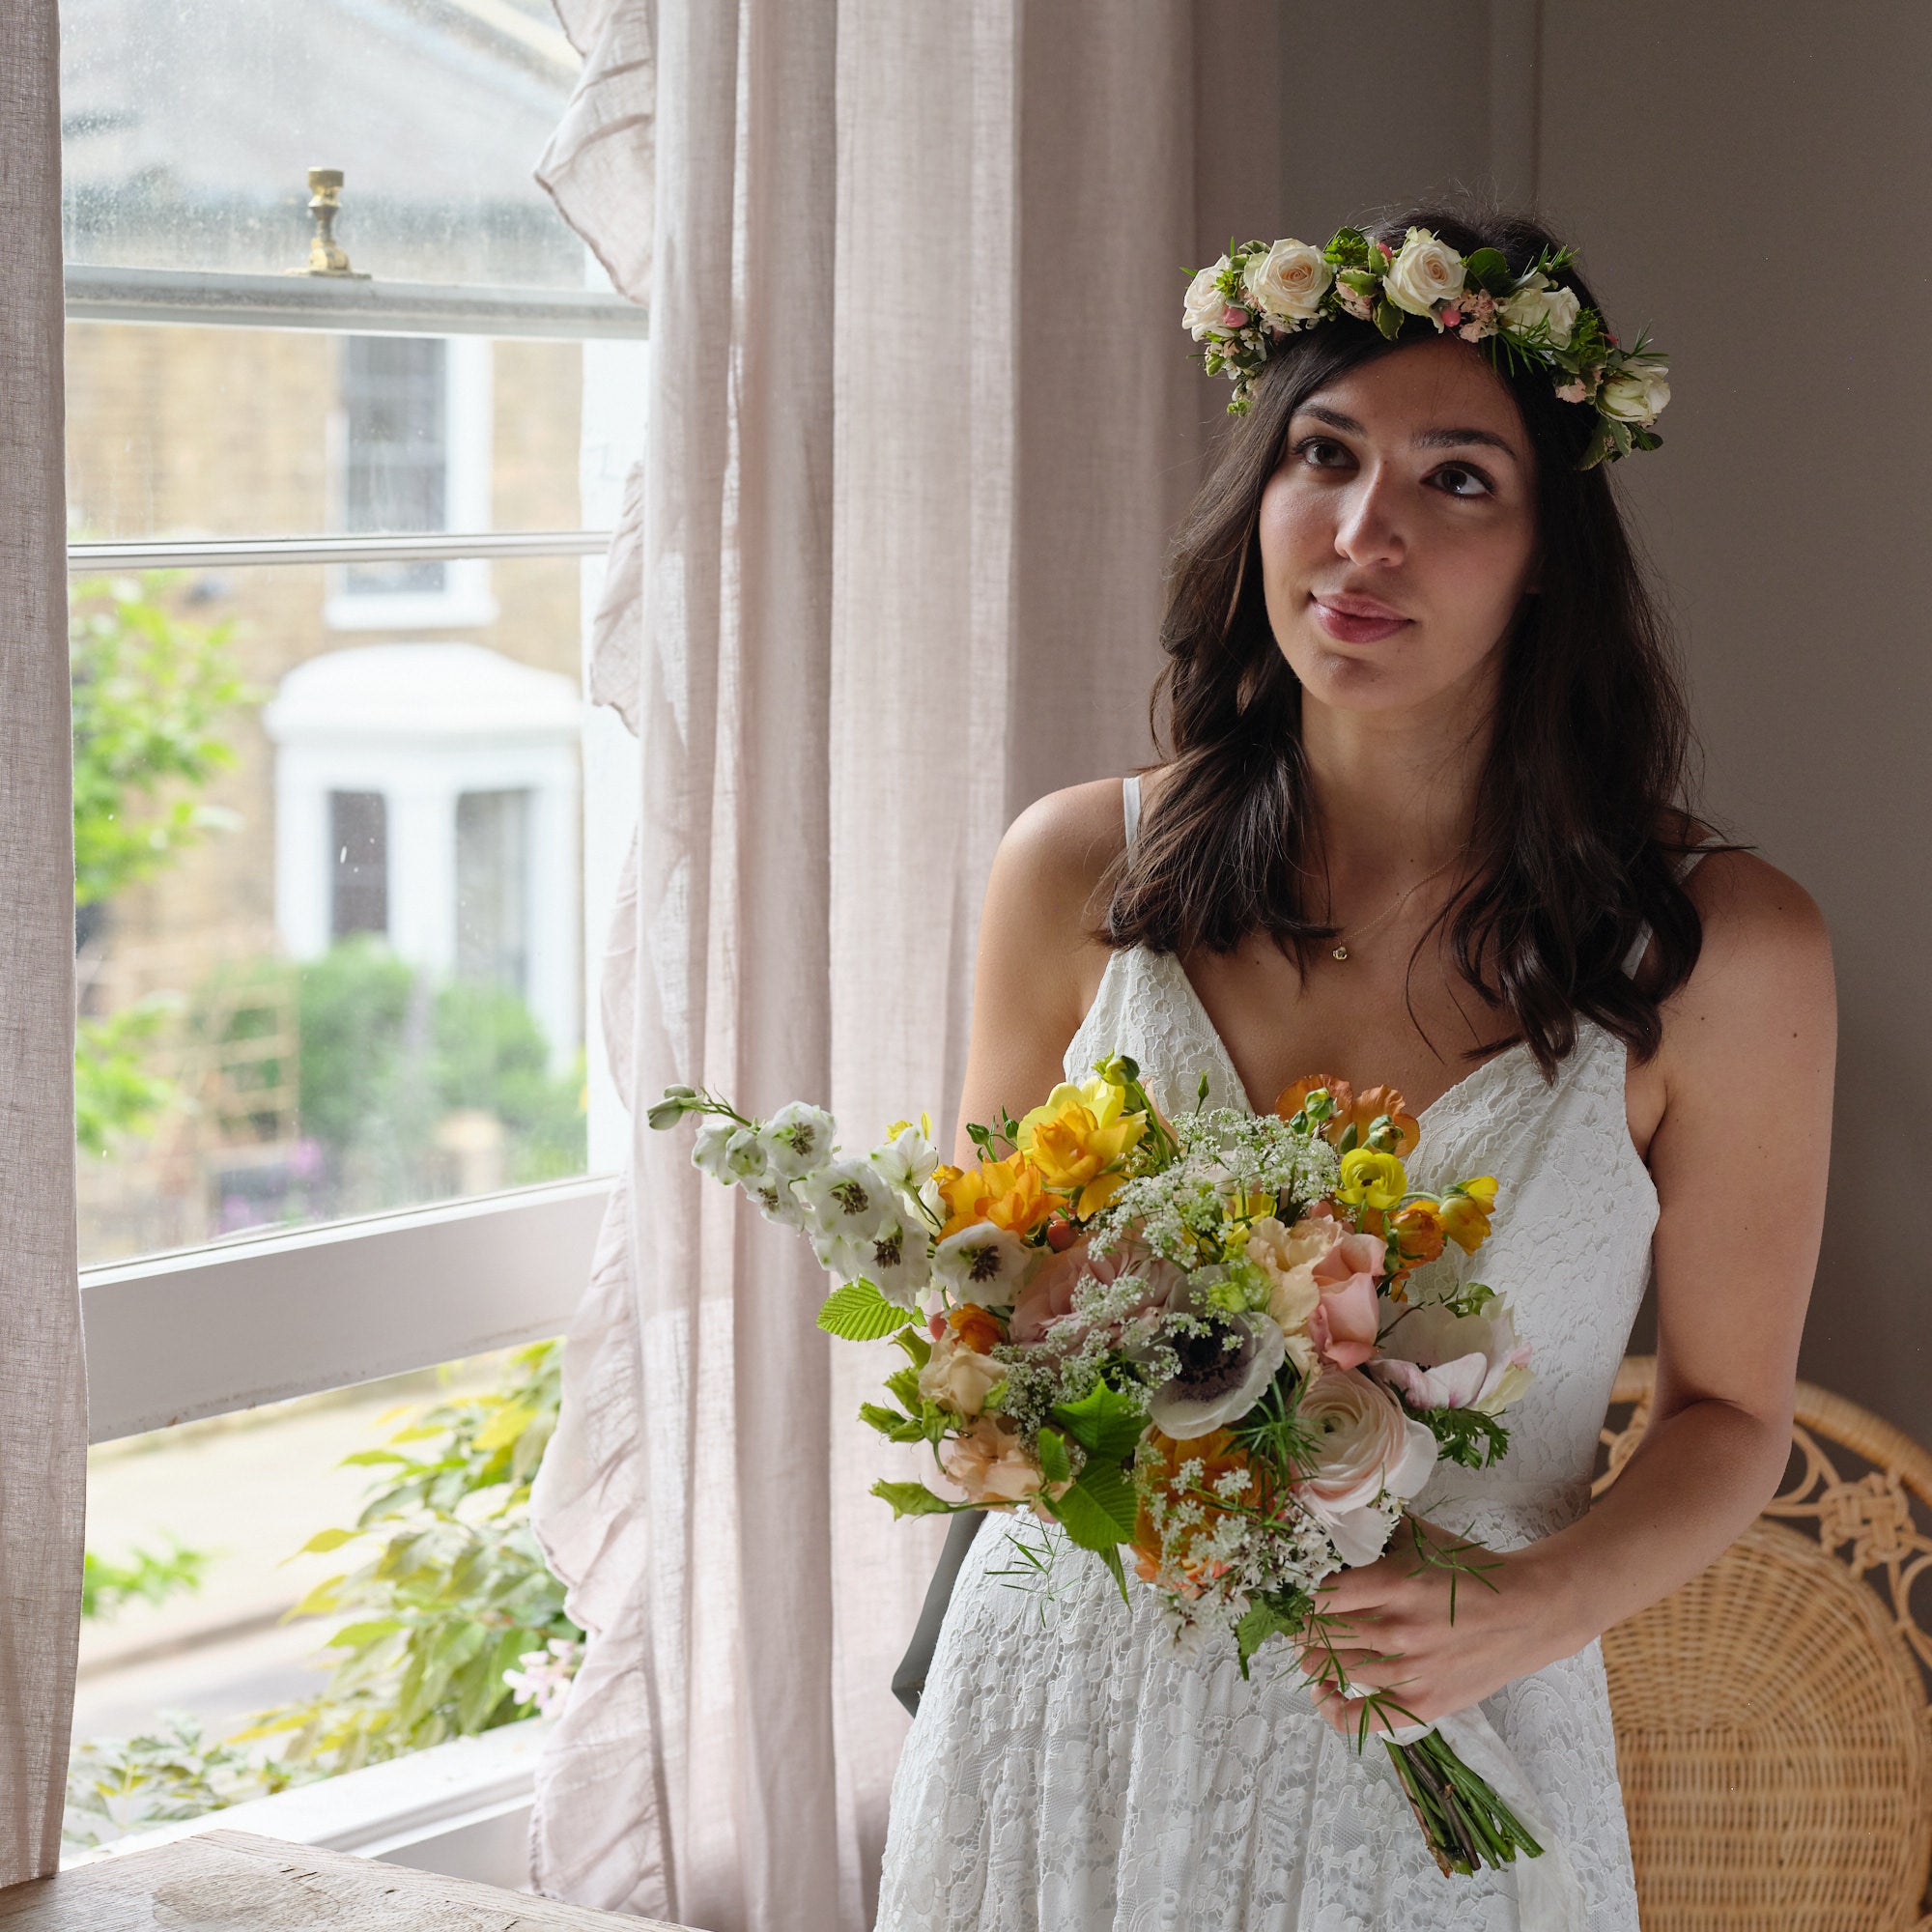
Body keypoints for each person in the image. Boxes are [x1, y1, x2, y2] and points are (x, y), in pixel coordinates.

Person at [872, 201, 1834, 1928]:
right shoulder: (1075, 870)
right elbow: (993, 1315)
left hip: (1434, 1744)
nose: (1362, 531)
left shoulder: (1723, 953)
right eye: (1323, 455)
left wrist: (1538, 1606)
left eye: (1455, 479)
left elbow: (1730, 1415)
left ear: (1551, 552)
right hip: (1052, 1726)